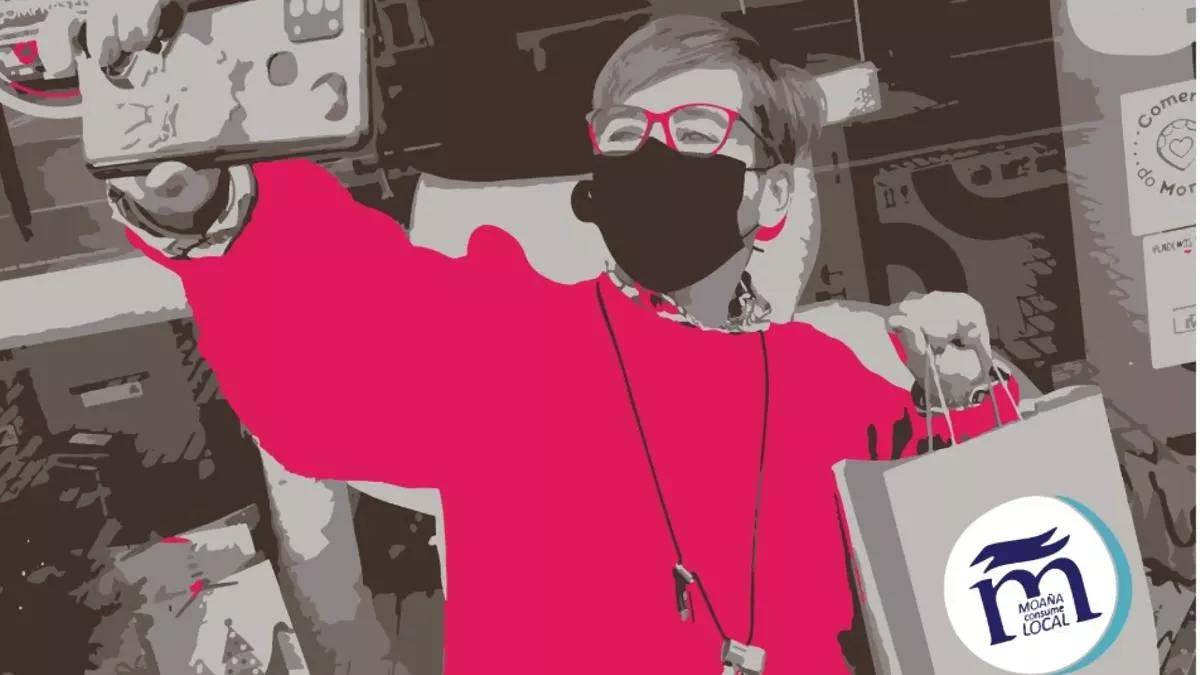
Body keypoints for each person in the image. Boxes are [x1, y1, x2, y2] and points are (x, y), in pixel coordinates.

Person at [43, 7, 1027, 674]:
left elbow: (993, 569)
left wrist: (969, 391)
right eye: (626, 134)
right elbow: (335, 333)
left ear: (771, 197)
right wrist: (201, 193)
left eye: (694, 133)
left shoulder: (841, 374)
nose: (653, 158)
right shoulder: (518, 346)